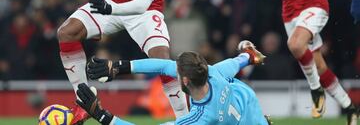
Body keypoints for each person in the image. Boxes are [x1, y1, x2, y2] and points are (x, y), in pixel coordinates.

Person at [56, 0, 188, 124]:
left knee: (163, 61)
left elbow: (141, 4)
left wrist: (110, 9)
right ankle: (83, 104)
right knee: (66, 32)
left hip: (143, 12)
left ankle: (186, 119)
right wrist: (111, 6)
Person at [248, 0, 360, 123]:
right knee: (318, 64)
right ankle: (349, 106)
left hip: (316, 7)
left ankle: (316, 90)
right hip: (290, 14)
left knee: (295, 44)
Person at [76, 40, 270, 125]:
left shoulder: (199, 118)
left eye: (176, 74)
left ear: (184, 81)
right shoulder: (212, 73)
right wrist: (118, 66)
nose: (173, 73)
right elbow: (238, 61)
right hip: (252, 111)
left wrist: (101, 115)